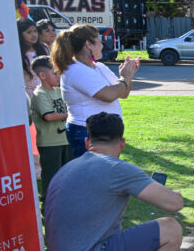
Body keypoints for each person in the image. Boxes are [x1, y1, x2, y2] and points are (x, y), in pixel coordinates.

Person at [45, 112, 192, 251]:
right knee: (170, 229)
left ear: (87, 142)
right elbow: (174, 204)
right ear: (122, 143)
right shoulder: (117, 169)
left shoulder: (68, 167)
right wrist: (174, 193)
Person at [52, 24, 140, 158]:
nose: (102, 46)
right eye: (99, 42)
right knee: (92, 174)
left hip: (107, 130)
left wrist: (129, 74)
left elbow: (123, 93)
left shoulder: (99, 67)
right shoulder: (75, 70)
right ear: (89, 44)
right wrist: (125, 77)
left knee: (106, 172)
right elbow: (108, 95)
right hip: (86, 131)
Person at [29, 56, 72, 203]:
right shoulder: (39, 94)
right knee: (51, 176)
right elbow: (48, 116)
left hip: (65, 140)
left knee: (67, 174)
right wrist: (70, 115)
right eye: (55, 73)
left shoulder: (58, 90)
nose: (59, 76)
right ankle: (47, 204)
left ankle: (64, 202)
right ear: (42, 75)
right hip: (49, 143)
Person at [18, 18, 50, 98]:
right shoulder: (18, 52)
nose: (34, 35)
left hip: (45, 92)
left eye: (35, 31)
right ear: (20, 34)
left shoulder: (43, 48)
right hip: (27, 94)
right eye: (29, 32)